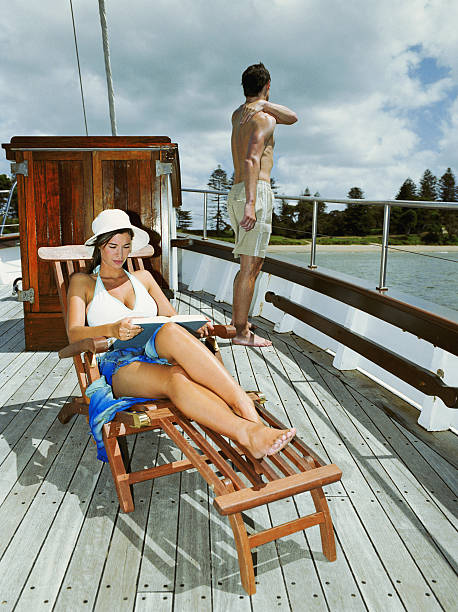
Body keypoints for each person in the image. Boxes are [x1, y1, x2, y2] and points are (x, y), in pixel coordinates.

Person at [67, 208, 296, 459]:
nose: (120, 254)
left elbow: (171, 318)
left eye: (126, 246)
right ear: (100, 246)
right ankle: (249, 432)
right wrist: (112, 329)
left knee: (172, 330)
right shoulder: (84, 282)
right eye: (113, 246)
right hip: (119, 363)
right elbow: (74, 333)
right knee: (176, 378)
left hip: (157, 350)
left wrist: (195, 325)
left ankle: (244, 407)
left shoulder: (143, 278)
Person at [228, 62, 298, 347]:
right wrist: (251, 203)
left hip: (237, 190)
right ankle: (242, 333)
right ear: (267, 87)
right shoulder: (265, 119)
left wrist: (260, 103)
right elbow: (252, 159)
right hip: (253, 190)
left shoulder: (237, 115)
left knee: (248, 264)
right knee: (250, 267)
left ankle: (238, 323)